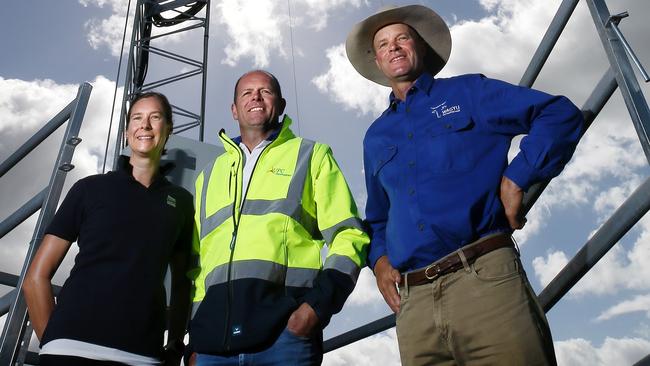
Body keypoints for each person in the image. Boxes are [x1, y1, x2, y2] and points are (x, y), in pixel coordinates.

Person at [346, 5, 583, 366]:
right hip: (414, 307)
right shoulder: (375, 137)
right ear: (377, 60)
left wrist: (519, 175)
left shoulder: (468, 92)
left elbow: (558, 114)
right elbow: (378, 217)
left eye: (402, 38)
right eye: (383, 44)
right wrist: (378, 260)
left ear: (420, 47)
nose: (393, 47)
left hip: (485, 280)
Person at [189, 70, 369, 365]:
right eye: (246, 93)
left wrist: (315, 309)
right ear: (234, 110)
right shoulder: (208, 176)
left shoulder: (311, 155)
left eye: (265, 91)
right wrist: (195, 338)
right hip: (212, 348)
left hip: (284, 340)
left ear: (281, 105)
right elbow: (198, 266)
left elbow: (349, 235)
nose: (256, 98)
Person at [23, 92, 194, 366]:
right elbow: (35, 278)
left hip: (143, 356)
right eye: (137, 118)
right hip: (70, 349)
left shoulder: (182, 202)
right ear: (127, 131)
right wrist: (54, 340)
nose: (145, 125)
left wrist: (174, 346)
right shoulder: (89, 189)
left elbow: (183, 284)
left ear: (168, 129)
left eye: (155, 117)